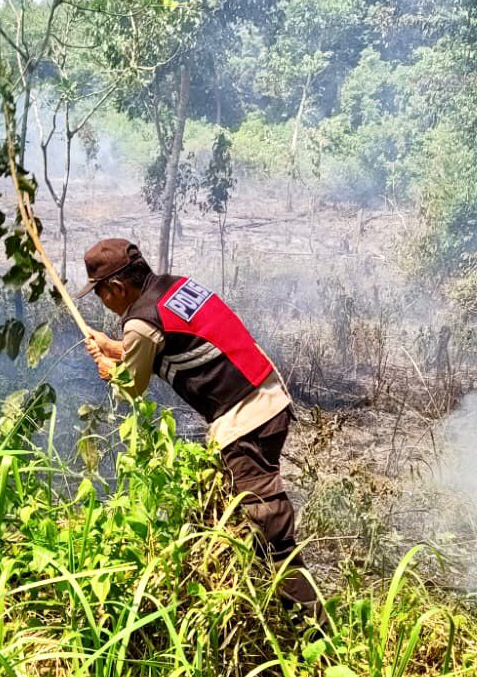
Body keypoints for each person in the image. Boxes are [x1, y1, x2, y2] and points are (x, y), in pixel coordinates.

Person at [76, 238, 323, 619]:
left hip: (246, 419)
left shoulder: (141, 322)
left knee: (266, 523)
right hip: (270, 397)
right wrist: (113, 345)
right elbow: (169, 343)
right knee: (231, 510)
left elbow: (132, 386)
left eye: (100, 295)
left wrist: (111, 371)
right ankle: (253, 605)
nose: (102, 303)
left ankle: (311, 625)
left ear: (117, 288)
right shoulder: (175, 287)